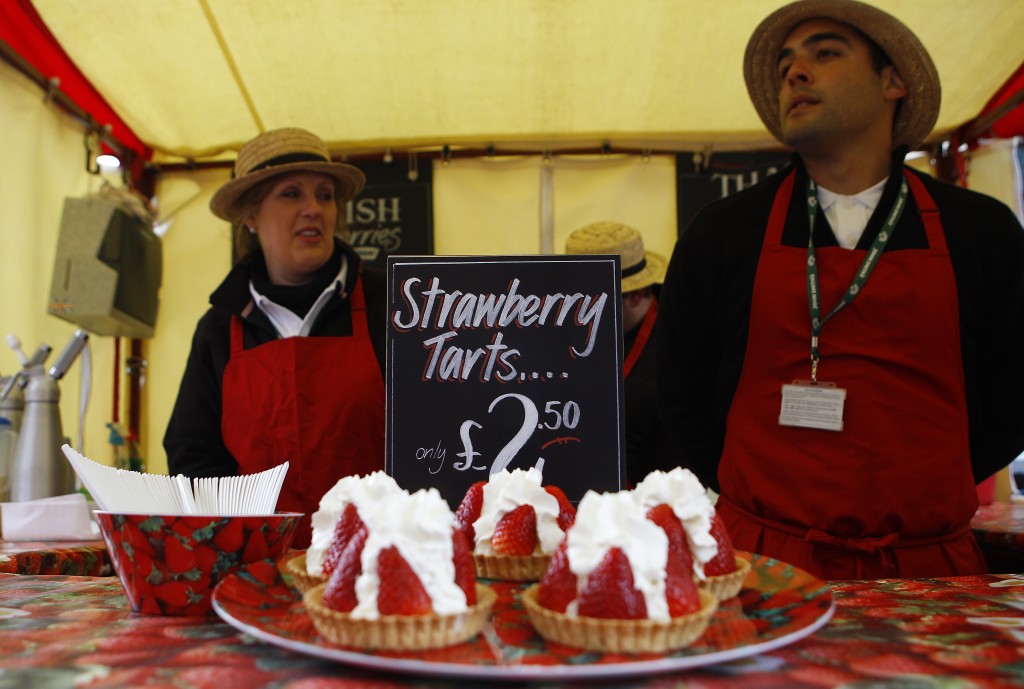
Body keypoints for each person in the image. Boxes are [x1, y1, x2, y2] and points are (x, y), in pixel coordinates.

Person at [658, 0, 1024, 579]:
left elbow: (1013, 395)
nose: (795, 73)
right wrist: (763, 497)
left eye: (824, 53)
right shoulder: (724, 231)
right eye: (785, 67)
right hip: (765, 562)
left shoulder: (980, 229)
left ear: (893, 82)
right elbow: (681, 392)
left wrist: (921, 480)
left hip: (928, 569)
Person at [164, 128, 386, 546]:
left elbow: (428, 439)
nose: (313, 209)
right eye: (291, 194)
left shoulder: (387, 305)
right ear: (250, 216)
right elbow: (193, 456)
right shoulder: (218, 329)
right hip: (257, 563)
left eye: (324, 195)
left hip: (376, 564)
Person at [565, 221, 674, 486]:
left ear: (636, 295)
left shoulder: (678, 346)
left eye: (594, 301)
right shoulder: (568, 329)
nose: (582, 311)